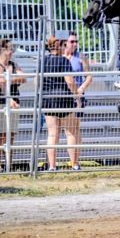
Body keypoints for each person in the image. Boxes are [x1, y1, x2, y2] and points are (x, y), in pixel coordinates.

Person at [41, 34, 81, 171]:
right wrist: (76, 95)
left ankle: (52, 166)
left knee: (52, 134)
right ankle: (74, 164)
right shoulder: (63, 61)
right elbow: (69, 81)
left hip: (47, 100)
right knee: (70, 133)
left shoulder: (43, 61)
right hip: (64, 100)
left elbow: (37, 81)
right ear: (59, 46)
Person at [63, 31, 92, 169]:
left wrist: (81, 89)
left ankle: (75, 161)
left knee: (75, 129)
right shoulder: (60, 57)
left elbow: (89, 76)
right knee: (58, 130)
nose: (74, 44)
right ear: (65, 43)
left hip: (77, 97)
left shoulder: (81, 57)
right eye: (71, 41)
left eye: (76, 41)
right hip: (62, 96)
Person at [0, 39, 25, 171]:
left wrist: (8, 77)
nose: (11, 52)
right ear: (2, 50)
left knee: (11, 134)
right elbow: (1, 83)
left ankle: (9, 163)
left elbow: (24, 77)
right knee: (1, 135)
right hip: (2, 104)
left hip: (14, 103)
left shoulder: (13, 65)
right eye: (9, 49)